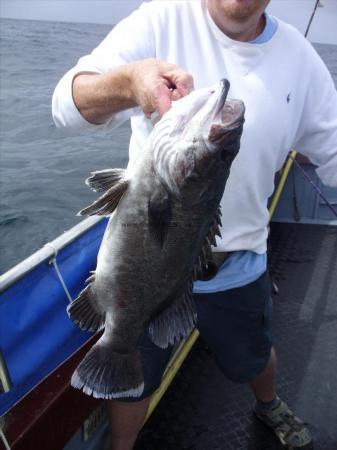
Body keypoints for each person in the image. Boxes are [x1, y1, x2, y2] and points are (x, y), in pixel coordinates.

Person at [52, 1, 337, 449]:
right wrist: (128, 81)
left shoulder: (300, 59)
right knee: (134, 375)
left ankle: (269, 405)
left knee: (255, 354)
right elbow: (66, 106)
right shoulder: (161, 18)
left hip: (240, 264)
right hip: (143, 284)